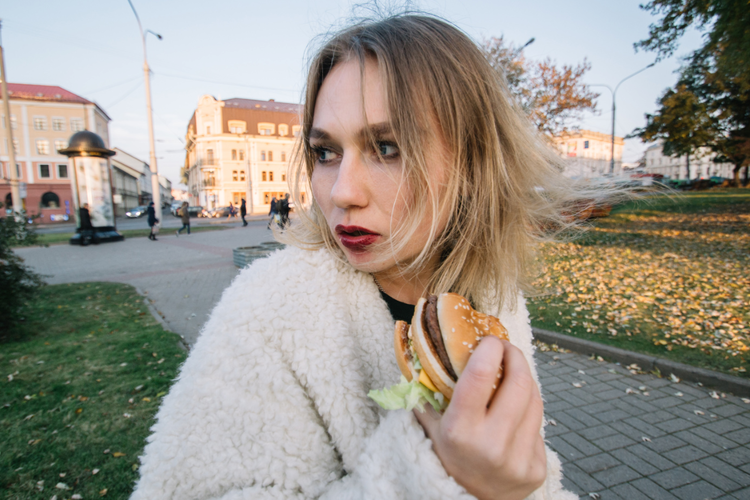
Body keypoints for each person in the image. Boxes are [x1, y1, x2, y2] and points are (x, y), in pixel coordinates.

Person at [132, 14, 591, 500]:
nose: (343, 192)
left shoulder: (492, 297)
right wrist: (433, 478)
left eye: (387, 147)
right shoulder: (271, 310)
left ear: (472, 162)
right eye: (326, 152)